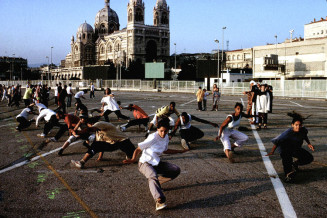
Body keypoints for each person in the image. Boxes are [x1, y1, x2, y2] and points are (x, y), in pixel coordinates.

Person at [123, 119, 187, 211]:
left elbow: (165, 150)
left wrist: (180, 151)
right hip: (145, 163)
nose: (163, 133)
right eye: (161, 131)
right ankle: (159, 200)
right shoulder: (152, 137)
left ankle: (157, 183)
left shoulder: (165, 137)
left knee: (175, 170)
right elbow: (138, 149)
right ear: (157, 129)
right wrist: (133, 159)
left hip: (156, 162)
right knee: (152, 175)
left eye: (165, 131)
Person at [266, 112, 314, 183]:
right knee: (287, 160)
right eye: (296, 125)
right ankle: (288, 175)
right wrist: (272, 151)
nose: (298, 127)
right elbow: (277, 142)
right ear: (292, 125)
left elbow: (304, 136)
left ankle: (295, 164)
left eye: (299, 125)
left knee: (309, 158)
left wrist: (309, 143)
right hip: (284, 149)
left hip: (294, 148)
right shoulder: (287, 133)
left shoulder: (303, 130)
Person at [71, 121, 137, 168]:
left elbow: (90, 129)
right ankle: (81, 162)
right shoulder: (98, 134)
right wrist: (100, 157)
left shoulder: (99, 124)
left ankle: (133, 154)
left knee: (134, 158)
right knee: (95, 144)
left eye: (88, 125)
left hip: (123, 141)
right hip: (113, 144)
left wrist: (79, 132)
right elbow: (100, 146)